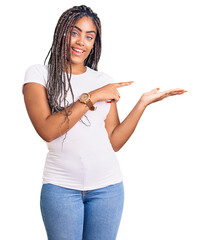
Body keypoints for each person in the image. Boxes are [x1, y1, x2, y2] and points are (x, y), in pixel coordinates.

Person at [22, 5, 187, 240]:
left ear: (94, 43)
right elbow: (48, 130)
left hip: (108, 189)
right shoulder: (39, 74)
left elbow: (114, 141)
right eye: (75, 32)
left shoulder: (102, 80)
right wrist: (93, 96)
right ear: (61, 33)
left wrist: (142, 104)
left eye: (89, 37)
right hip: (60, 189)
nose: (81, 42)